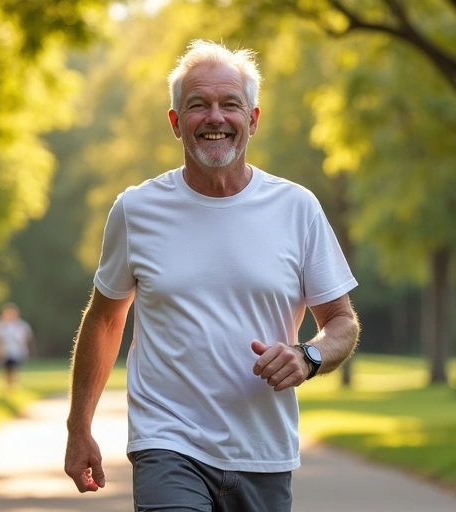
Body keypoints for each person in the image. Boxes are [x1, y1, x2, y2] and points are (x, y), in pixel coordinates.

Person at [64, 40, 360, 511]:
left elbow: (342, 322)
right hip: (167, 443)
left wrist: (308, 356)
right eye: (198, 104)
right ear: (176, 122)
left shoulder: (297, 208)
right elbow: (104, 320)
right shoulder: (136, 210)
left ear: (253, 119)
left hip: (263, 451)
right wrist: (78, 427)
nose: (215, 117)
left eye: (230, 104)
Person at [0, 302, 35, 392]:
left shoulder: (22, 325)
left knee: (13, 368)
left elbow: (26, 339)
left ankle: (12, 385)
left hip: (17, 352)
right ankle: (7, 386)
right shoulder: (0, 326)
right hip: (5, 351)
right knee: (6, 369)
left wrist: (27, 351)